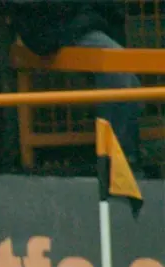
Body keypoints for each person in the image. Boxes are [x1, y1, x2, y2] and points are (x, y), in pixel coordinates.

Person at [10, 1, 142, 171]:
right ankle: (119, 163)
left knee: (127, 81)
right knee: (120, 76)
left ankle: (121, 161)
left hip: (80, 22)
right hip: (58, 25)